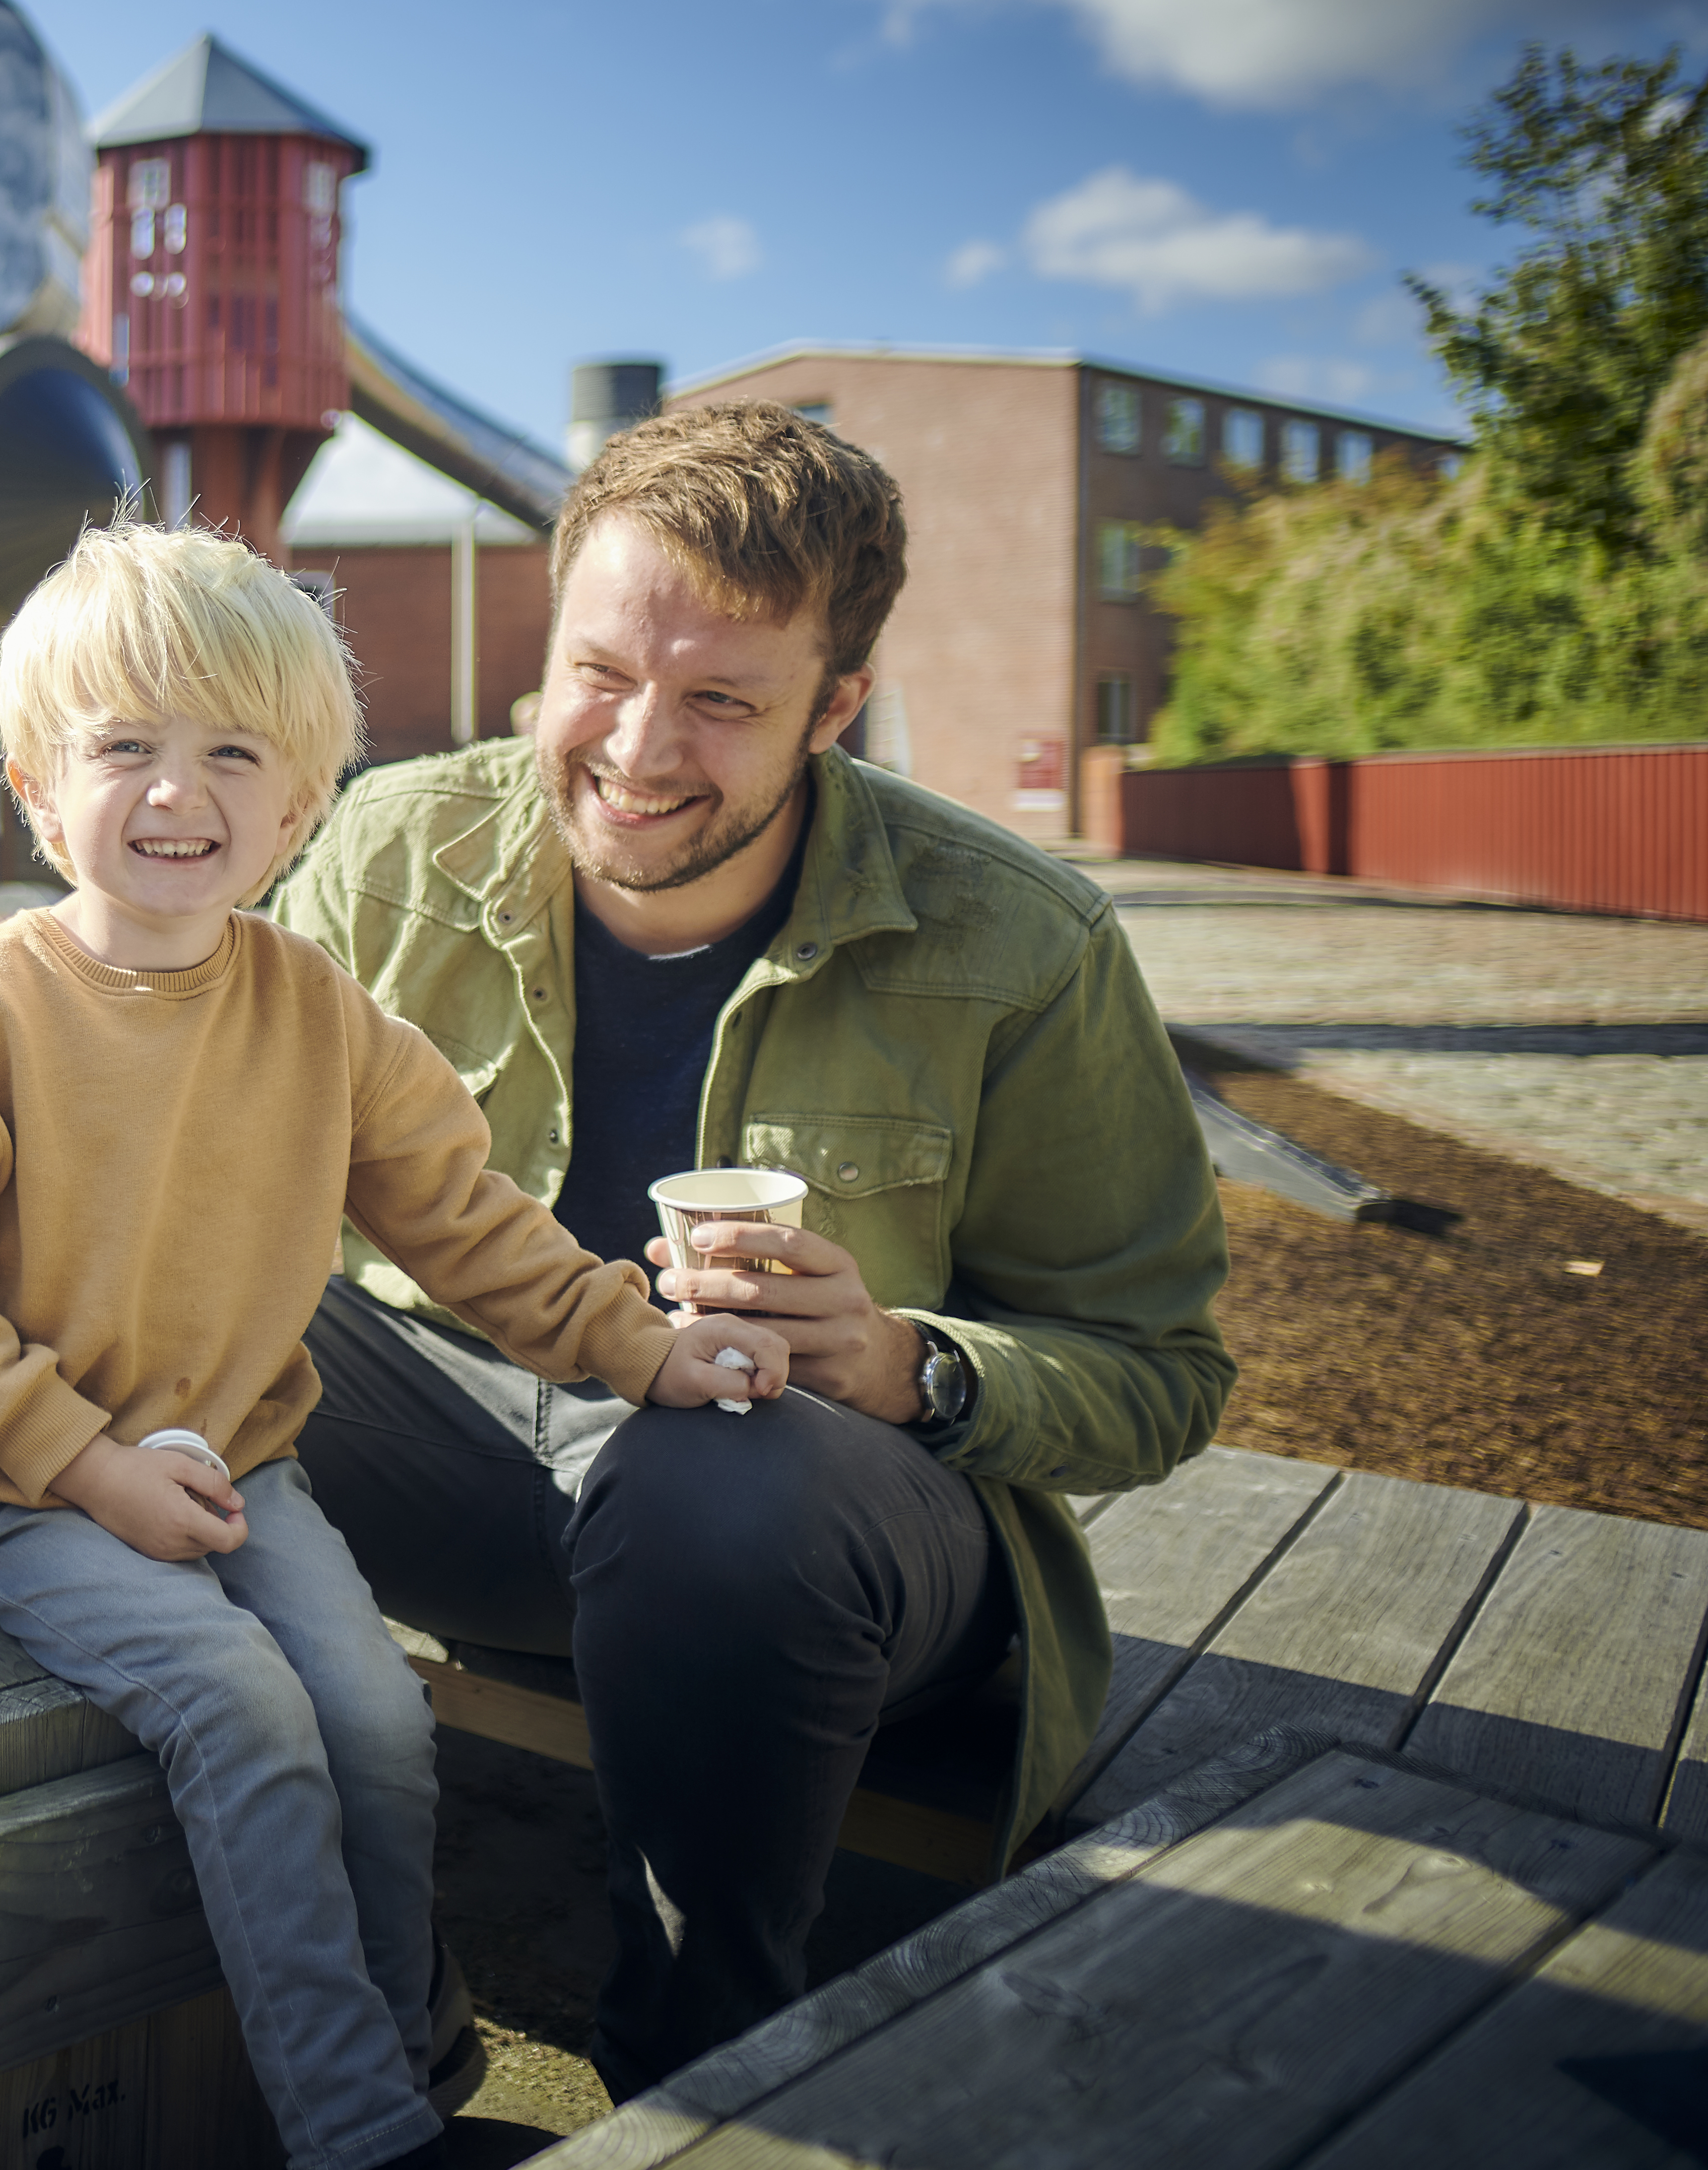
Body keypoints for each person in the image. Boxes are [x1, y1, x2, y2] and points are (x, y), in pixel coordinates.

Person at [267, 400, 1231, 2094]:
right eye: (598, 674)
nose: (638, 750)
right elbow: (220, 1174)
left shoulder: (1021, 944)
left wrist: (905, 1363)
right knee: (171, 1301)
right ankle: (258, 1972)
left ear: (835, 706)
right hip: (465, 1477)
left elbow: (1158, 1374)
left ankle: (698, 2081)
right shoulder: (387, 847)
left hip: (798, 1540)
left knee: (722, 1456)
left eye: (720, 700)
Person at [0, 523, 777, 2170]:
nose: (175, 790)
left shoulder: (315, 1012)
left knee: (377, 1718)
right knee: (241, 1709)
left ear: (294, 809)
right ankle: (358, 2134)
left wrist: (643, 1349)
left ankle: (414, 2051)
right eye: (124, 745)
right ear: (39, 790)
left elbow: (466, 1219)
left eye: (230, 752)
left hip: (240, 1467)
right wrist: (89, 1468)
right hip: (15, 1488)